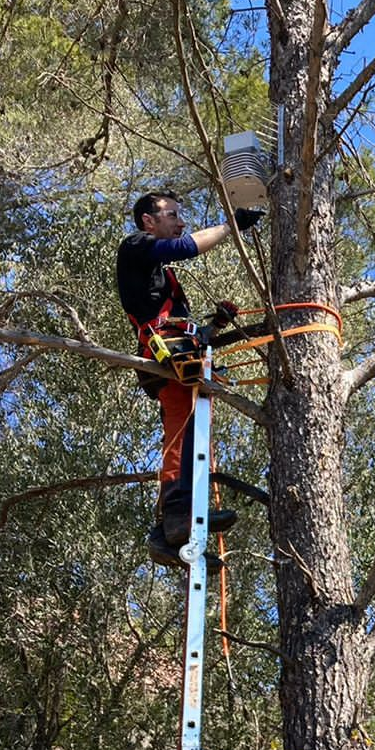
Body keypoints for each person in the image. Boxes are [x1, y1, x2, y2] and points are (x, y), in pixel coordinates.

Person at [116, 190, 264, 565]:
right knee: (182, 432)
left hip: (180, 353)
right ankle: (178, 518)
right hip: (165, 356)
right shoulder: (136, 246)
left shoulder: (160, 275)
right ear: (148, 221)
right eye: (172, 214)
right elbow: (184, 248)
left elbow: (182, 326)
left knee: (191, 432)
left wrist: (213, 326)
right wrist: (231, 227)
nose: (180, 222)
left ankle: (172, 529)